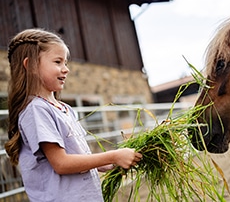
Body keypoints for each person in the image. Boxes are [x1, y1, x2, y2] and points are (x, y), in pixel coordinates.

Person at [4, 28, 143, 202]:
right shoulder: (36, 110)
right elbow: (61, 163)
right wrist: (113, 155)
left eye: (66, 63)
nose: (66, 69)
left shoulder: (65, 109)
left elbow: (77, 156)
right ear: (30, 65)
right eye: (58, 62)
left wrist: (106, 164)